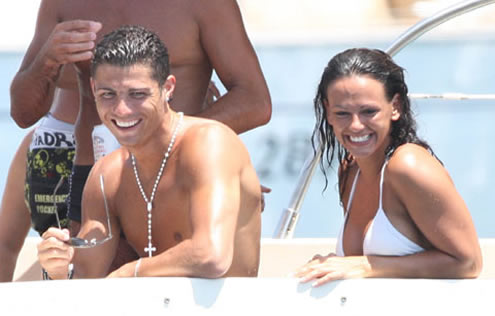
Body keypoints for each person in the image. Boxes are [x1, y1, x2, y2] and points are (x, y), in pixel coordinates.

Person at [1, 0, 271, 281]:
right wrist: (48, 60)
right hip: (96, 176)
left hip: (184, 175)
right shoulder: (63, 4)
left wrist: (206, 155)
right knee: (84, 286)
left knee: (191, 274)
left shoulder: (204, 4)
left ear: (168, 87)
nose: (122, 108)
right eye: (108, 95)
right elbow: (23, 113)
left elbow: (255, 100)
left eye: (138, 94)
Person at [294, 48, 482, 287]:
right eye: (342, 113)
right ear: (328, 113)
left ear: (395, 106)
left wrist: (365, 264)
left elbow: (468, 263)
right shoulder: (349, 172)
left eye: (369, 111)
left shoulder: (408, 166)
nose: (355, 125)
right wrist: (335, 264)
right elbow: (365, 268)